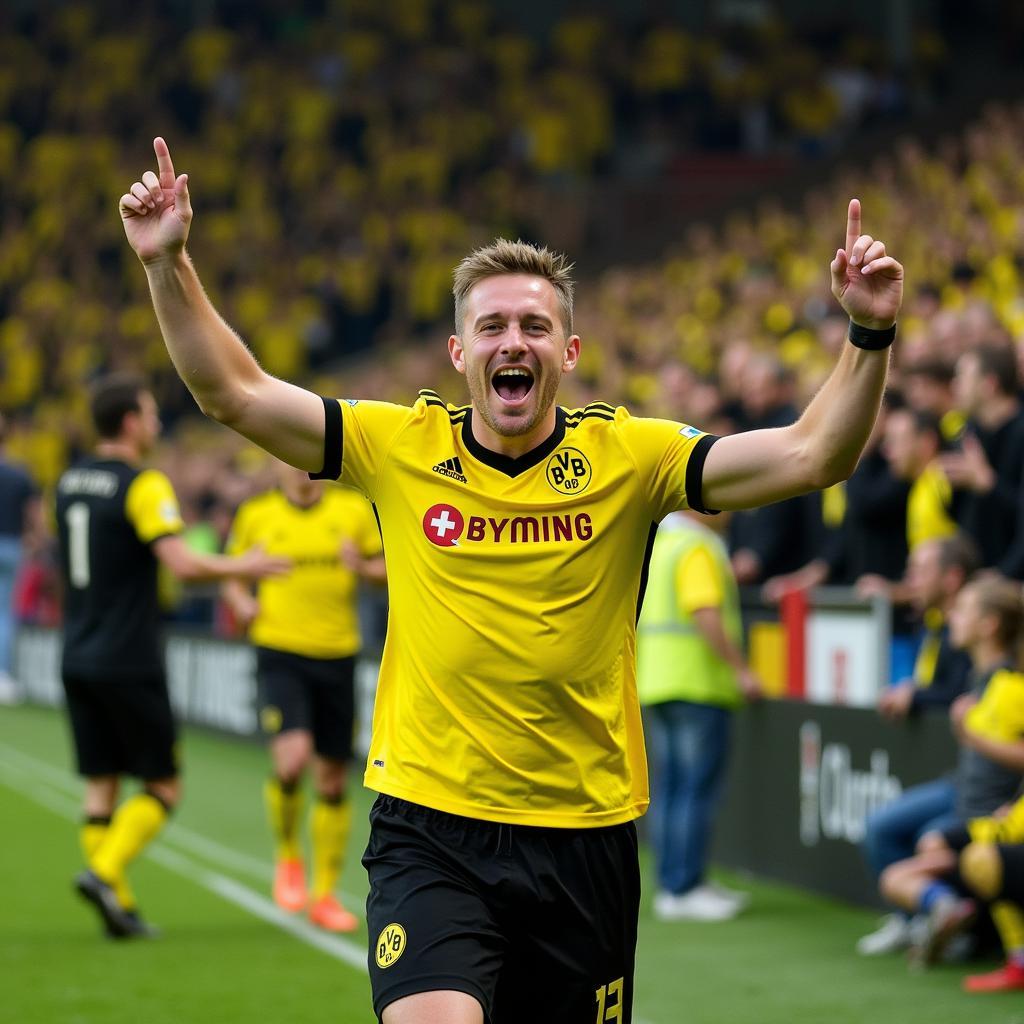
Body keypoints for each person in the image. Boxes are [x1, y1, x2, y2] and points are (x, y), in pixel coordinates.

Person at [119, 137, 902, 1024]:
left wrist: (868, 333)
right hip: (431, 825)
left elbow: (812, 454)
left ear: (568, 349)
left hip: (584, 835)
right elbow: (235, 392)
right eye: (491, 326)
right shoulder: (398, 445)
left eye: (533, 326)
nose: (512, 342)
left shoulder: (634, 456)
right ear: (459, 352)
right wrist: (168, 262)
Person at [57, 373, 287, 939]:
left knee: (101, 782)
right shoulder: (143, 484)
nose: (157, 423)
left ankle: (120, 908)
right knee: (163, 785)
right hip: (127, 657)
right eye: (151, 412)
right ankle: (104, 870)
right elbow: (181, 563)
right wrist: (242, 568)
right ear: (131, 422)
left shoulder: (67, 482)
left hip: (76, 652)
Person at [221, 458, 384, 933]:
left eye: (306, 463)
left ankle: (325, 893)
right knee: (292, 761)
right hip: (280, 650)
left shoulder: (352, 510)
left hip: (337, 652)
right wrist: (240, 600)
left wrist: (365, 570)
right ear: (273, 466)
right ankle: (289, 856)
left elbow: (387, 565)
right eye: (288, 463)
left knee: (332, 779)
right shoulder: (257, 514)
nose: (299, 471)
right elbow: (233, 573)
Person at [858, 574, 1024, 958]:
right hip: (967, 802)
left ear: (990, 624)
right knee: (899, 837)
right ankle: (933, 916)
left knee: (929, 841)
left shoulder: (1010, 686)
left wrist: (972, 736)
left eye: (963, 610)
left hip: (991, 823)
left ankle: (959, 923)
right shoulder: (975, 676)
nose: (952, 617)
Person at [637, 508, 760, 922]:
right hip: (697, 683)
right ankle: (685, 886)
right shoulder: (698, 546)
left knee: (672, 790)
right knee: (694, 790)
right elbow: (703, 610)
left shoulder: (661, 543)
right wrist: (740, 669)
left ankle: (676, 884)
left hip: (657, 679)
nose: (730, 507)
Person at [0, 411, 39, 703]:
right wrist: (32, 540)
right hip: (11, 547)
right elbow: (36, 518)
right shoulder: (20, 473)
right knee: (4, 614)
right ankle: (2, 674)